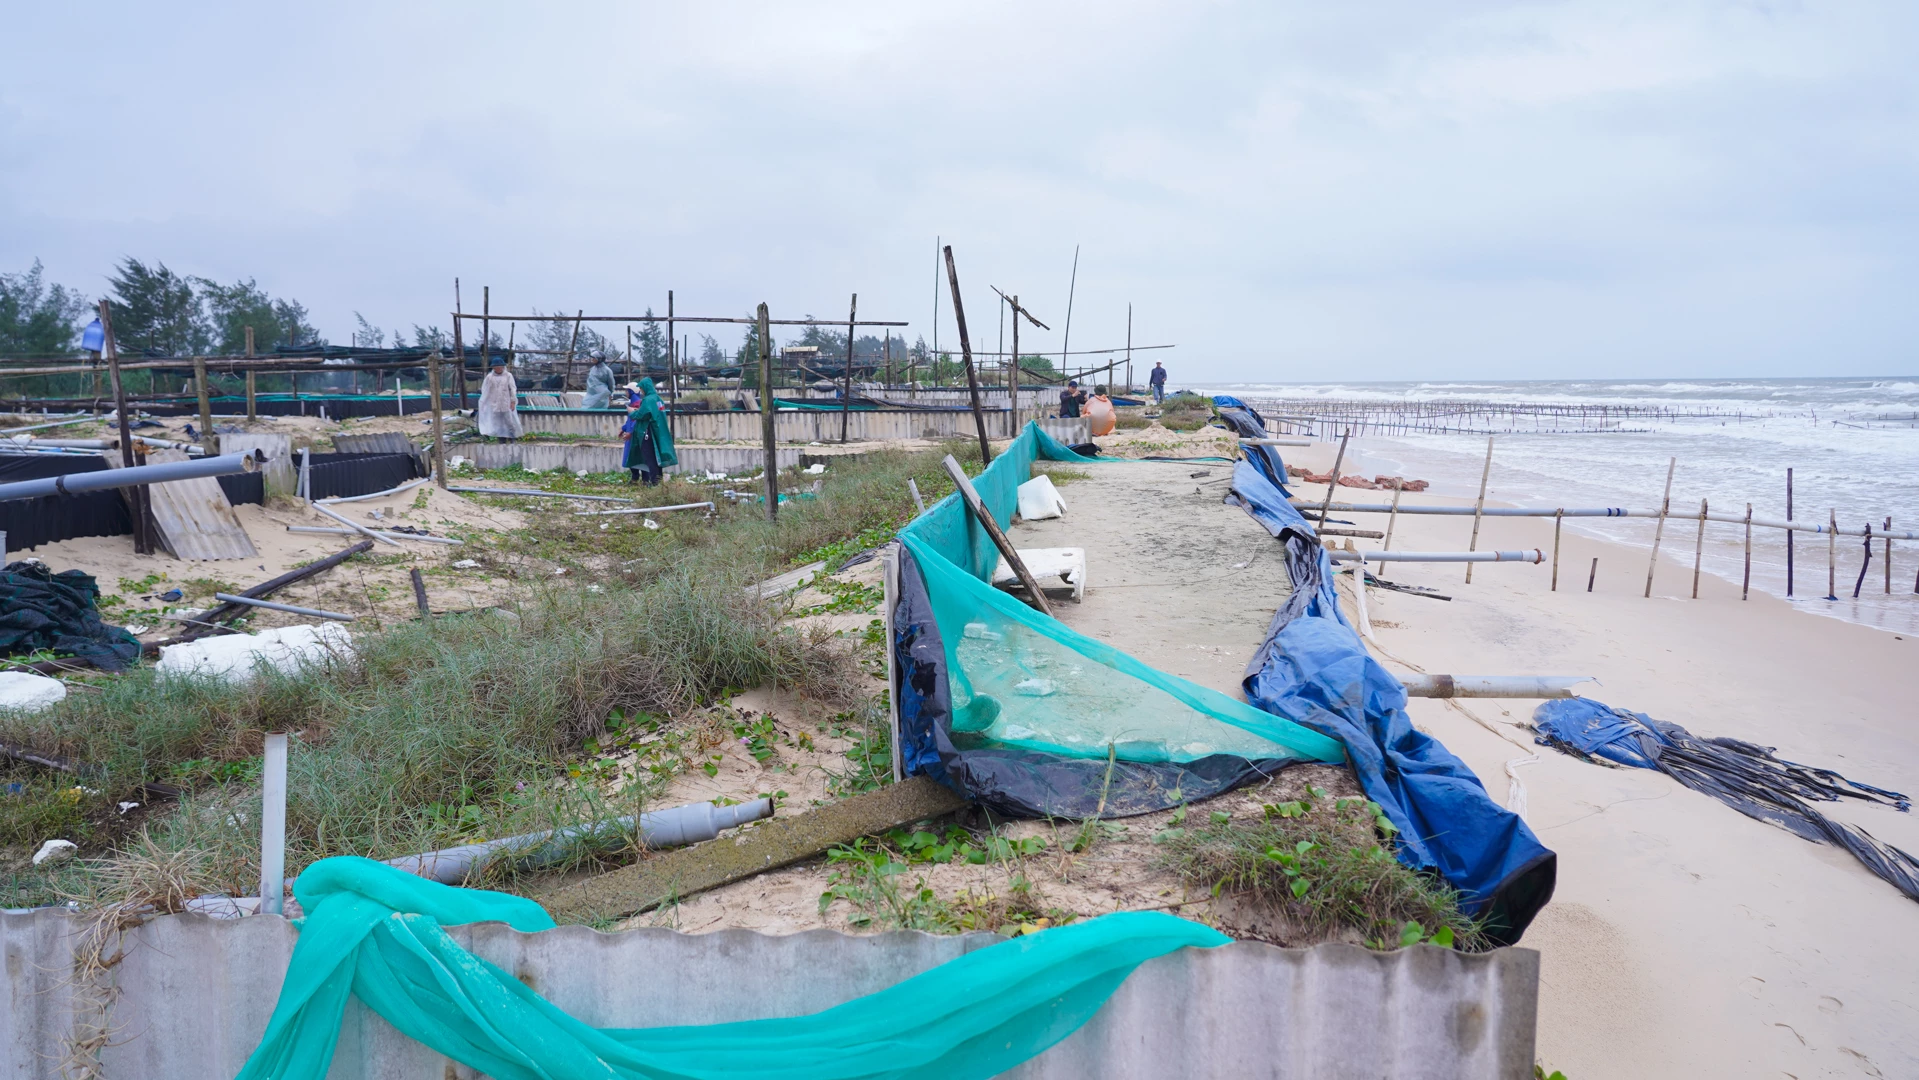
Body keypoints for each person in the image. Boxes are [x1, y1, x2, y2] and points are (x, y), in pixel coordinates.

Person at [622, 377, 678, 485]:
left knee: (649, 458)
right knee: (656, 457)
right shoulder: (658, 399)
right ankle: (658, 480)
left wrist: (631, 412)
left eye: (641, 388)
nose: (641, 391)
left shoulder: (648, 400)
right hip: (657, 431)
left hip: (647, 432)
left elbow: (642, 415)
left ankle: (654, 482)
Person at [476, 356, 523, 441]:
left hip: (506, 403)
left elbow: (512, 389)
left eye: (500, 367)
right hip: (494, 404)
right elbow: (485, 390)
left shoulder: (508, 376)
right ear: (493, 367)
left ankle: (512, 437)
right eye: (496, 367)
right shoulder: (489, 377)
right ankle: (501, 438)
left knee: (509, 421)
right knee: (497, 423)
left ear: (503, 367)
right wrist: (484, 402)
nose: (498, 368)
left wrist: (513, 402)